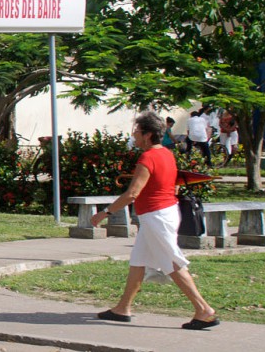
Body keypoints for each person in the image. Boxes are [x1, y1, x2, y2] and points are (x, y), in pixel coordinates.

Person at [91, 111, 218, 330]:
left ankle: (203, 309)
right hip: (164, 213)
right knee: (138, 261)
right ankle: (123, 308)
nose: (134, 135)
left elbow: (132, 193)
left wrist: (105, 213)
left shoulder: (148, 157)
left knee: (172, 263)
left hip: (156, 216)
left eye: (137, 131)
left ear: (148, 134)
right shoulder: (166, 153)